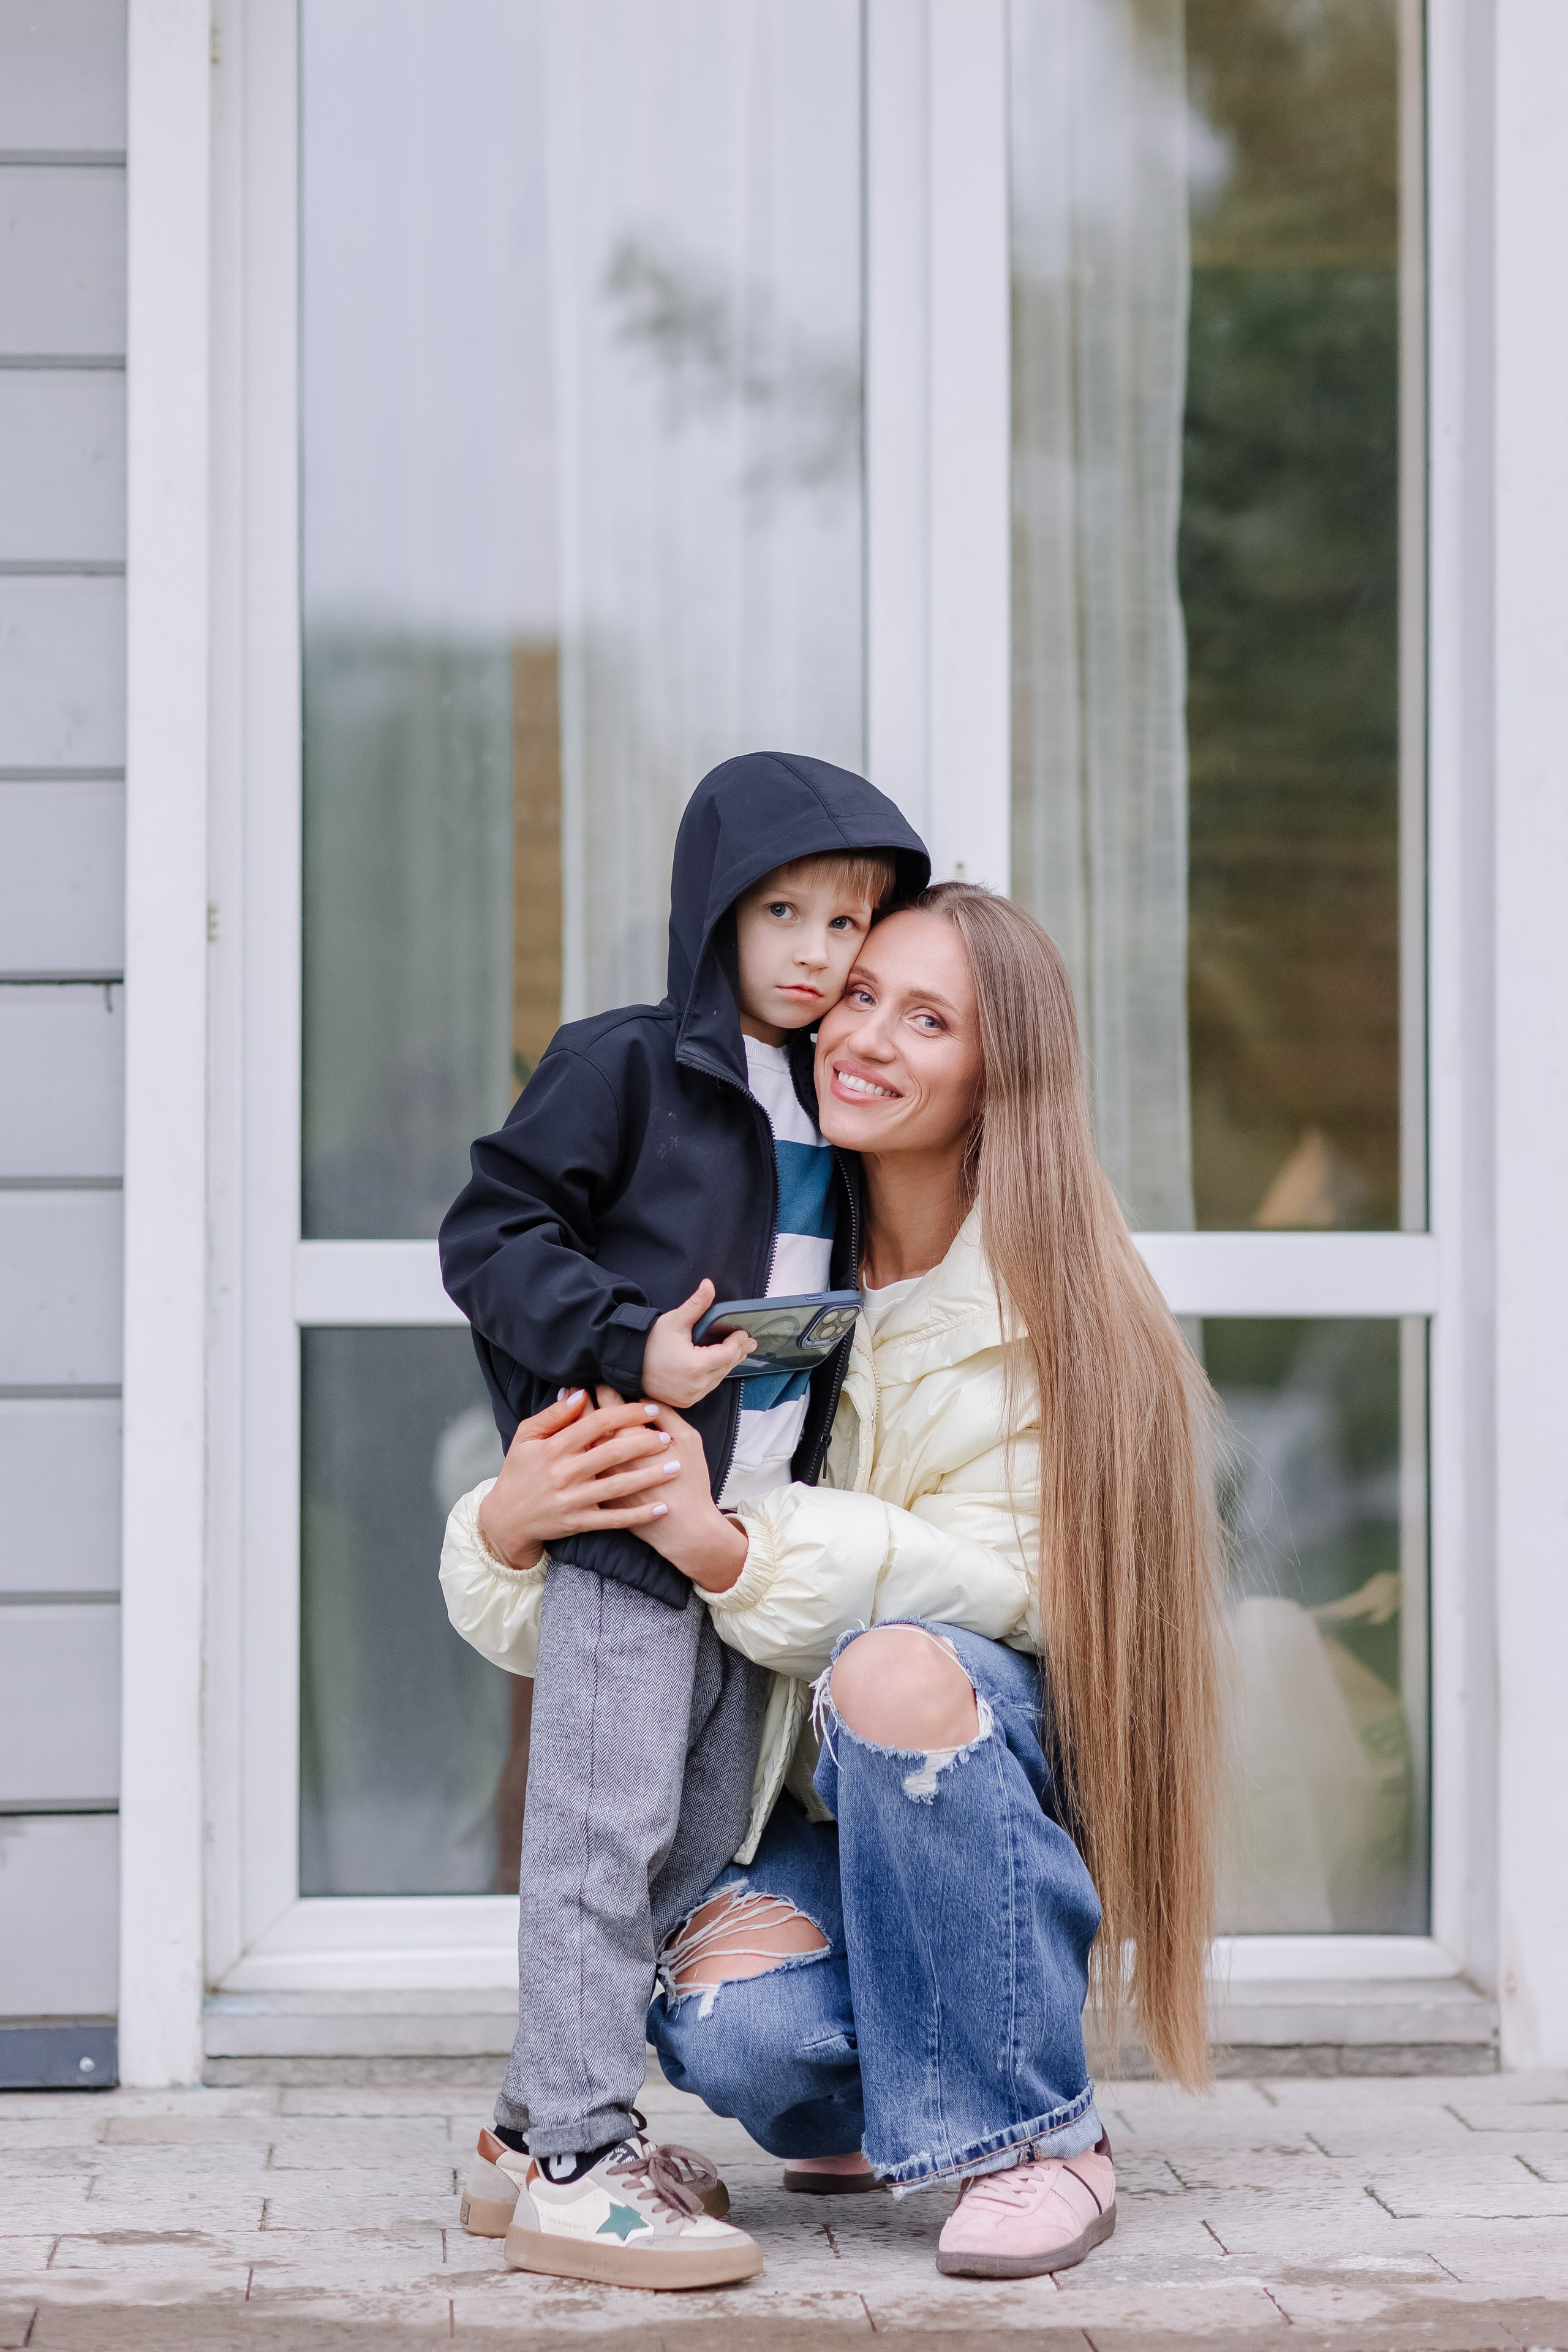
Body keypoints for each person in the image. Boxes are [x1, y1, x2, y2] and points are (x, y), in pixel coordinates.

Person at [445, 882, 1224, 2285]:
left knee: (893, 1667)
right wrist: (510, 1526)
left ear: (1001, 1075)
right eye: (857, 994)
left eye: (927, 1018)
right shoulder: (768, 1253)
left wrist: (734, 1548)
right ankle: (881, 2105)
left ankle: (1034, 2137)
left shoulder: (1063, 1306)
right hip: (796, 1804)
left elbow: (1045, 1592)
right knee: (740, 2027)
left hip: (987, 1776)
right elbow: (613, 1596)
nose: (862, 1035)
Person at [437, 750, 929, 2290]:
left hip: (742, 1539)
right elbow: (490, 1230)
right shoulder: (632, 1063)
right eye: (779, 910)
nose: (814, 952)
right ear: (712, 913)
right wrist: (618, 1340)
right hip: (623, 1521)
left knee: (692, 1836)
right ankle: (582, 2166)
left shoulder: (835, 1106)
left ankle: (525, 2129)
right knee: (596, 1836)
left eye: (849, 922)